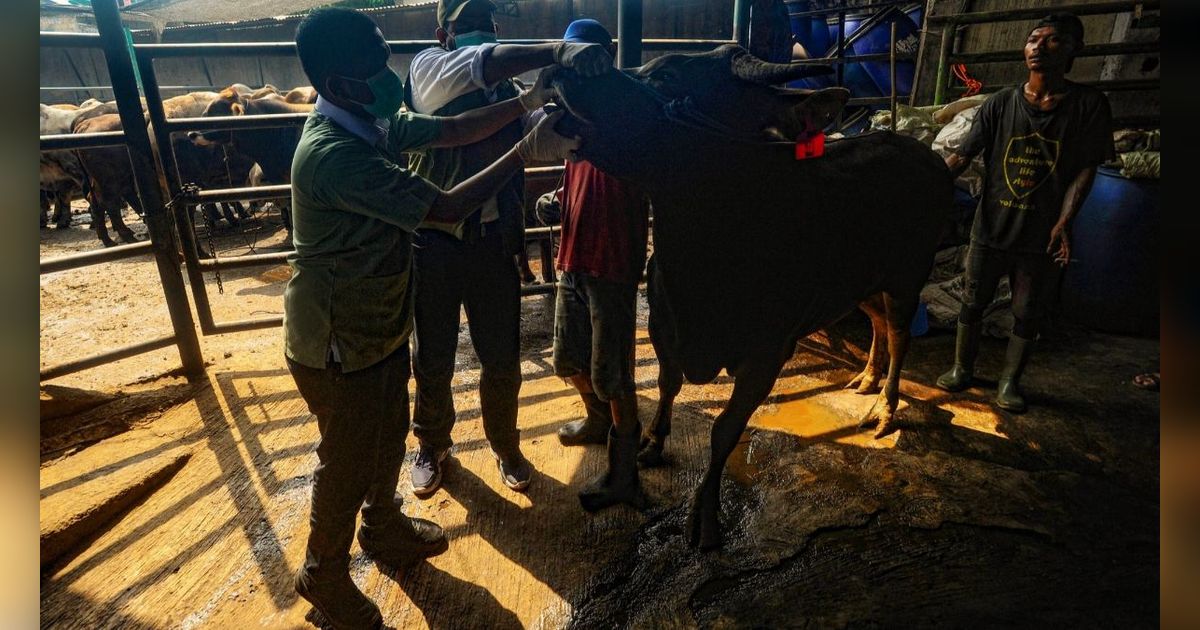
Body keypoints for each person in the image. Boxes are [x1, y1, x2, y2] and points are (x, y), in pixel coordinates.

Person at [285, 8, 578, 628]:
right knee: (347, 459)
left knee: (388, 433)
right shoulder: (337, 155)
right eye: (377, 61)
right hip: (338, 337)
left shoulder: (366, 120)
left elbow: (450, 132)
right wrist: (527, 146)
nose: (391, 72)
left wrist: (525, 101)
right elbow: (443, 208)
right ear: (341, 84)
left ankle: (384, 528)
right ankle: (323, 575)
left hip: (377, 322)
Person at [404, 0, 611, 497]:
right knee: (432, 354)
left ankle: (505, 443)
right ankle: (431, 444)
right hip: (432, 239)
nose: (479, 33)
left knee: (501, 357)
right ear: (443, 35)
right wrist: (556, 51)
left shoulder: (512, 92)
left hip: (490, 243)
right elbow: (484, 63)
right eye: (468, 25)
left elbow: (530, 153)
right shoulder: (429, 70)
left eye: (487, 26)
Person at [936, 12, 1114, 413]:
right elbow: (961, 156)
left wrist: (1065, 221)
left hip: (1041, 232)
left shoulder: (1088, 106)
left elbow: (1086, 168)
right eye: (1033, 39)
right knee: (972, 300)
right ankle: (962, 369)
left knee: (1027, 310)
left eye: (1052, 40)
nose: (1038, 47)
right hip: (992, 225)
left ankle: (1009, 381)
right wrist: (925, 184)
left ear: (1074, 49)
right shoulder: (999, 104)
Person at [541, 19, 652, 511]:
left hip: (611, 265)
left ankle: (625, 474)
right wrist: (556, 199)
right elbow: (574, 177)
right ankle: (596, 419)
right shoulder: (575, 113)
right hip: (574, 258)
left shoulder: (627, 114)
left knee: (614, 375)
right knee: (569, 360)